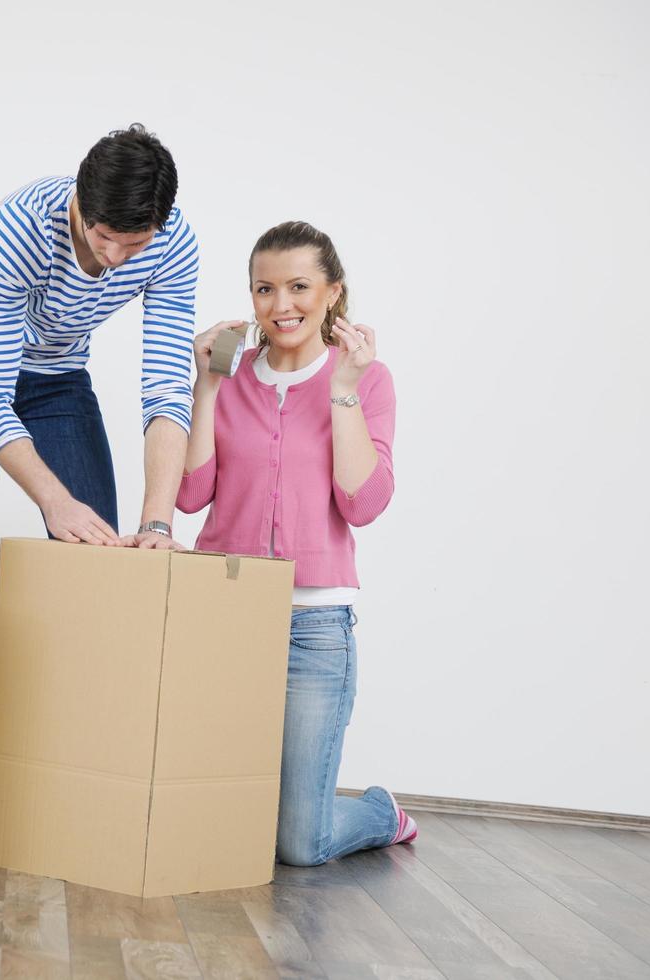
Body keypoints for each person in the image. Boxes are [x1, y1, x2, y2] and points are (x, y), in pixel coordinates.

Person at [0, 125, 199, 835]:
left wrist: (159, 521)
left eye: (130, 248)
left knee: (102, 569)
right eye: (102, 238)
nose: (112, 260)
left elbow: (168, 389)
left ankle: (72, 765)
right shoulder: (22, 222)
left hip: (57, 376)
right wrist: (54, 499)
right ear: (78, 202)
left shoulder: (172, 245)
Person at [177, 220, 416, 865]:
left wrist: (341, 393)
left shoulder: (367, 380)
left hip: (315, 627)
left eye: (299, 287)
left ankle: (378, 810)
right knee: (209, 814)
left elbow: (362, 504)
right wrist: (205, 388)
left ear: (332, 292)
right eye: (264, 289)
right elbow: (191, 495)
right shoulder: (230, 377)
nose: (281, 305)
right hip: (224, 613)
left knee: (299, 845)